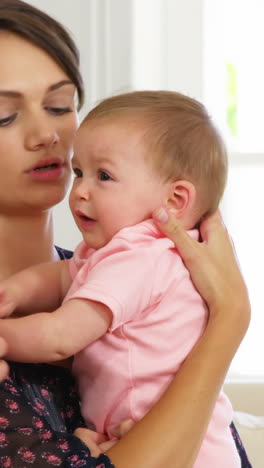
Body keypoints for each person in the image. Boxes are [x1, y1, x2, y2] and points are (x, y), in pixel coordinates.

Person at [0, 0, 251, 467]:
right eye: (4, 116)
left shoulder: (124, 259)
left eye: (59, 106)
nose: (47, 135)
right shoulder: (92, 266)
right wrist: (230, 316)